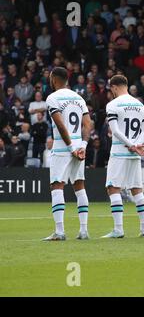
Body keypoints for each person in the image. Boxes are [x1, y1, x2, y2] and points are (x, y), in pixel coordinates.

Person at [42, 67, 92, 241]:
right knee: (79, 185)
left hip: (63, 146)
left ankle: (60, 231)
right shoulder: (79, 98)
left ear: (54, 79)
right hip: (79, 146)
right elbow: (88, 124)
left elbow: (61, 125)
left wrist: (70, 147)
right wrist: (83, 145)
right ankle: (84, 231)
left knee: (57, 186)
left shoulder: (52, 98)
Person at [102, 75, 144, 238]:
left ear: (114, 87)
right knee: (137, 189)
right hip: (134, 154)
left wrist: (130, 145)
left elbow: (115, 131)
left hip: (119, 152)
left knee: (113, 188)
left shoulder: (113, 105)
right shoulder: (139, 105)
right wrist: (136, 145)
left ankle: (118, 229)